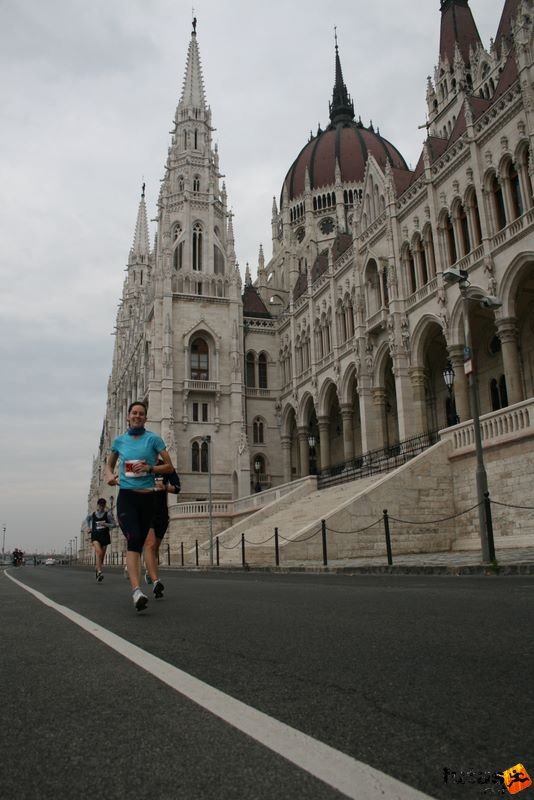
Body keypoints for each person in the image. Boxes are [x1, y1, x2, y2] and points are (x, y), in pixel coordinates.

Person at [104, 401, 173, 611]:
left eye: (141, 414)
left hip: (147, 498)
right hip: (126, 496)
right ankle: (136, 591)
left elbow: (169, 466)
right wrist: (109, 475)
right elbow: (109, 463)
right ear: (128, 417)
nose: (137, 416)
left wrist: (150, 468)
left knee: (143, 541)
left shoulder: (153, 439)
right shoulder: (119, 441)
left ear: (145, 418)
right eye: (134, 413)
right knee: (133, 538)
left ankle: (145, 581)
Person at [143, 458, 180, 585]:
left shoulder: (166, 466)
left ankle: (149, 569)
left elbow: (177, 488)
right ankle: (155, 580)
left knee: (155, 547)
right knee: (151, 543)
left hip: (161, 513)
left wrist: (164, 487)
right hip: (145, 512)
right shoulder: (141, 464)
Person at [86, 498, 116, 582]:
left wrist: (106, 524)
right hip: (95, 535)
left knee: (101, 557)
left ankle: (97, 568)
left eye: (103, 505)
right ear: (98, 505)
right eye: (100, 505)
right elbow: (87, 520)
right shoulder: (93, 514)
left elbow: (114, 525)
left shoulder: (108, 514)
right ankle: (99, 572)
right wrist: (89, 528)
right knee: (98, 552)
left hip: (105, 536)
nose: (101, 507)